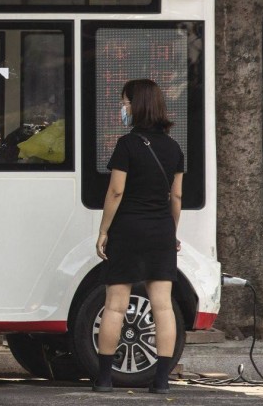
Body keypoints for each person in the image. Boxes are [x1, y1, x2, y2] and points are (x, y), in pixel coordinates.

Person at [94, 79, 184, 394]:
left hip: (128, 230)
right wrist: (171, 232)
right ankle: (161, 381)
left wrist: (104, 229)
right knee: (162, 306)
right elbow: (176, 198)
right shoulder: (174, 148)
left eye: (125, 102)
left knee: (116, 306)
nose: (123, 108)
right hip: (160, 230)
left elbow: (116, 190)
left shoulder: (127, 145)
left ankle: (105, 379)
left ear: (137, 105)